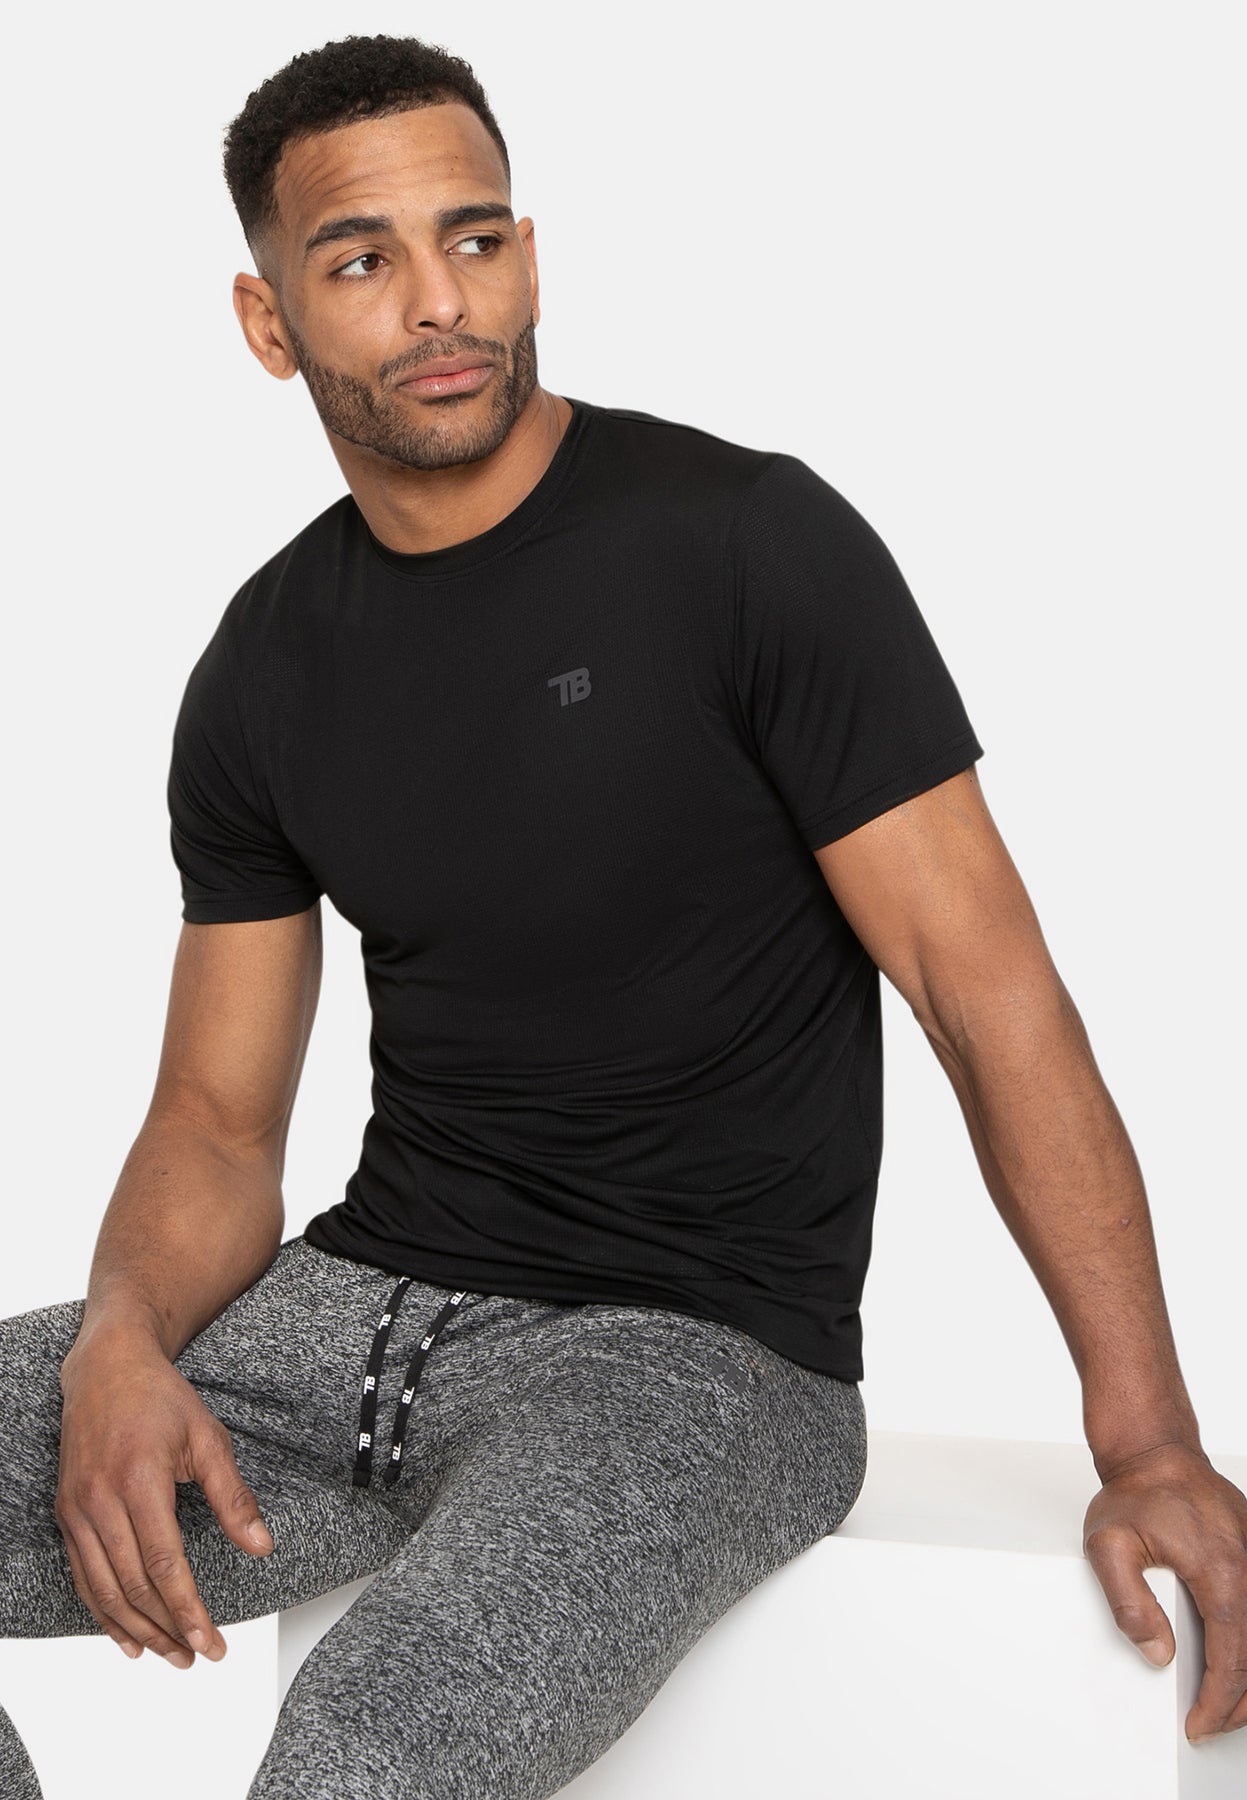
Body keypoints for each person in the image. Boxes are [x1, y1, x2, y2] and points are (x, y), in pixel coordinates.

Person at [2, 29, 1244, 1799]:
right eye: (361, 261)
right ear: (269, 323)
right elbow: (213, 1119)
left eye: (475, 238)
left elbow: (987, 1000)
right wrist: (123, 1343)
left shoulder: (747, 545)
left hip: (694, 1361)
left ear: (528, 252)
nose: (442, 301)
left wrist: (1152, 1440)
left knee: (362, 1756)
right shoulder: (265, 663)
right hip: (350, 1319)